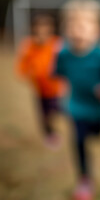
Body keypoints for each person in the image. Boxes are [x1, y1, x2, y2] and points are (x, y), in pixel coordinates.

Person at [55, 0, 100, 200]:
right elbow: (60, 76)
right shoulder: (64, 54)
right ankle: (84, 179)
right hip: (75, 107)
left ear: (95, 30)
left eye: (83, 25)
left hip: (98, 108)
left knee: (97, 134)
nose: (77, 30)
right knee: (78, 141)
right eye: (72, 24)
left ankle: (97, 130)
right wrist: (61, 97)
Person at [16, 13, 65, 149]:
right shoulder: (29, 45)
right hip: (40, 90)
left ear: (51, 29)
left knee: (55, 112)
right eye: (39, 29)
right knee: (44, 116)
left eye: (46, 29)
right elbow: (22, 67)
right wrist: (28, 72)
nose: (42, 32)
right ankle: (50, 136)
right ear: (34, 29)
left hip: (56, 89)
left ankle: (55, 132)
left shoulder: (57, 44)